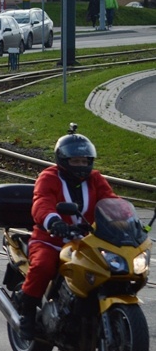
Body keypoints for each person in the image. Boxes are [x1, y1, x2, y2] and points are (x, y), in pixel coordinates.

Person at [13, 126, 117, 338]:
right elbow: (41, 202)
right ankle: (28, 312)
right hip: (51, 239)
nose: (81, 165)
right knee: (43, 266)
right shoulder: (49, 177)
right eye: (75, 161)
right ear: (63, 160)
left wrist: (125, 221)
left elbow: (110, 200)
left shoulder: (95, 179)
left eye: (85, 161)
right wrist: (54, 222)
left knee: (111, 268)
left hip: (87, 241)